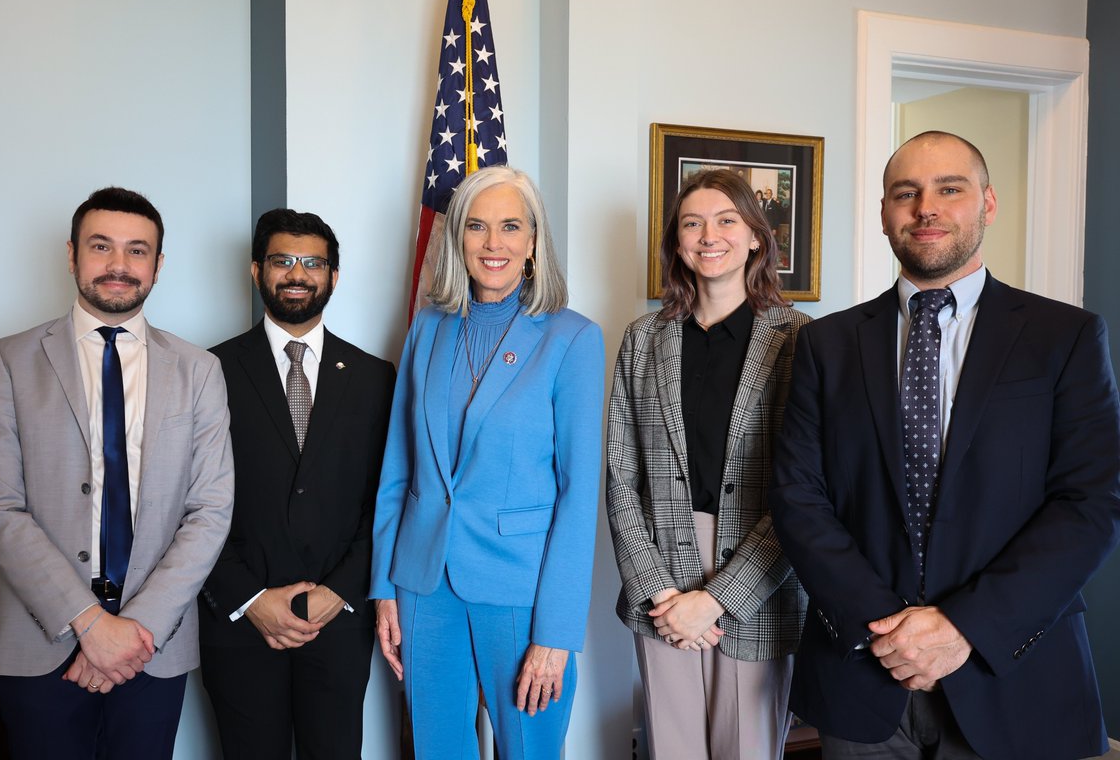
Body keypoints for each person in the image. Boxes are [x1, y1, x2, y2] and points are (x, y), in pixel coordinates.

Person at [769, 131, 1120, 760]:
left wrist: (963, 628)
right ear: (883, 214)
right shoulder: (826, 345)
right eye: (906, 193)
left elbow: (1089, 505)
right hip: (864, 674)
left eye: (948, 189)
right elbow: (800, 499)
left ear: (986, 203)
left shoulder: (1064, 337)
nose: (925, 207)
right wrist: (891, 632)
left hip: (1015, 671)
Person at [0, 186, 235, 760]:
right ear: (72, 255)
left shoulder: (199, 371)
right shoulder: (9, 361)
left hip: (152, 645)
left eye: (137, 251)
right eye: (101, 246)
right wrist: (90, 624)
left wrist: (132, 631)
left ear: (158, 266)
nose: (119, 265)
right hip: (39, 643)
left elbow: (209, 511)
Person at [370, 166, 604, 759]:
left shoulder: (572, 340)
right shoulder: (428, 327)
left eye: (509, 227)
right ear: (458, 239)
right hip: (423, 586)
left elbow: (579, 497)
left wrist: (555, 633)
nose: (492, 243)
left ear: (533, 242)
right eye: (476, 226)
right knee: (439, 750)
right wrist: (384, 588)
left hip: (521, 593)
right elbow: (400, 467)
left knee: (528, 750)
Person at [607, 169, 808, 759]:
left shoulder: (801, 340)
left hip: (760, 572)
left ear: (756, 238)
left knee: (745, 749)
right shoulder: (643, 338)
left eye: (726, 220)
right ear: (676, 243)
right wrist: (658, 592)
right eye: (692, 223)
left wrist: (720, 599)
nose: (708, 235)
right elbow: (622, 476)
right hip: (661, 581)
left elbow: (806, 491)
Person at [198, 209, 395, 759]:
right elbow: (187, 502)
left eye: (313, 262)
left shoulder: (376, 377)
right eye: (283, 260)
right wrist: (248, 598)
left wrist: (339, 591)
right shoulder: (207, 371)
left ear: (334, 275)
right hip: (238, 624)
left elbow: (389, 497)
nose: (297, 273)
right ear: (256, 270)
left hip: (337, 623)